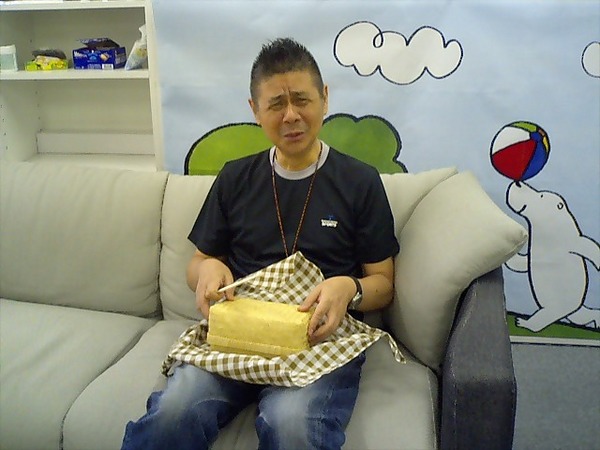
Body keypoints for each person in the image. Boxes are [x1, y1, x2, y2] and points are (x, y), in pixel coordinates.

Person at [121, 37, 399, 450]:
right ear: (255, 110)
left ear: (325, 98)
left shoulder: (360, 182)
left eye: (302, 100)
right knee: (174, 412)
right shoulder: (235, 178)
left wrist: (348, 287)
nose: (291, 116)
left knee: (292, 425)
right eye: (276, 105)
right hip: (239, 334)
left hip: (318, 339)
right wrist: (207, 270)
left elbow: (383, 283)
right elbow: (199, 263)